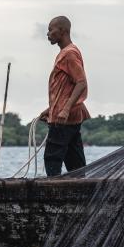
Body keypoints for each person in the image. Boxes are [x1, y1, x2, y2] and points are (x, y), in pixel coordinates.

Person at [37, 17, 89, 176]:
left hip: (64, 118)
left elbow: (81, 82)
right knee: (75, 160)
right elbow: (65, 88)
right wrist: (51, 109)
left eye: (51, 29)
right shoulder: (66, 53)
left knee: (52, 157)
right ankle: (81, 192)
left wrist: (65, 109)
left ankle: (53, 194)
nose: (48, 33)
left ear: (63, 31)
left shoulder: (69, 54)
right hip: (69, 115)